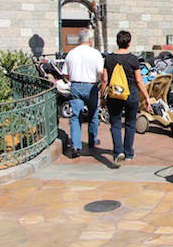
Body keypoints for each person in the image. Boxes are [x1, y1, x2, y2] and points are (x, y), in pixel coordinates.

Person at [101, 31, 152, 168]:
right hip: (131, 94)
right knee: (130, 124)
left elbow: (104, 79)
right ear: (129, 43)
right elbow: (139, 80)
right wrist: (147, 97)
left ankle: (118, 152)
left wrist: (102, 96)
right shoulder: (133, 59)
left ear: (117, 42)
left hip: (114, 95)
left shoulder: (108, 59)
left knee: (115, 124)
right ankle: (128, 152)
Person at [62, 30, 104, 158]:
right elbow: (101, 72)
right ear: (90, 40)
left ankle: (75, 145)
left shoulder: (71, 53)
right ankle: (92, 139)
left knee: (75, 116)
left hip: (75, 85)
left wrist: (72, 80)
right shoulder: (95, 53)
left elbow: (65, 73)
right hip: (91, 86)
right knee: (93, 114)